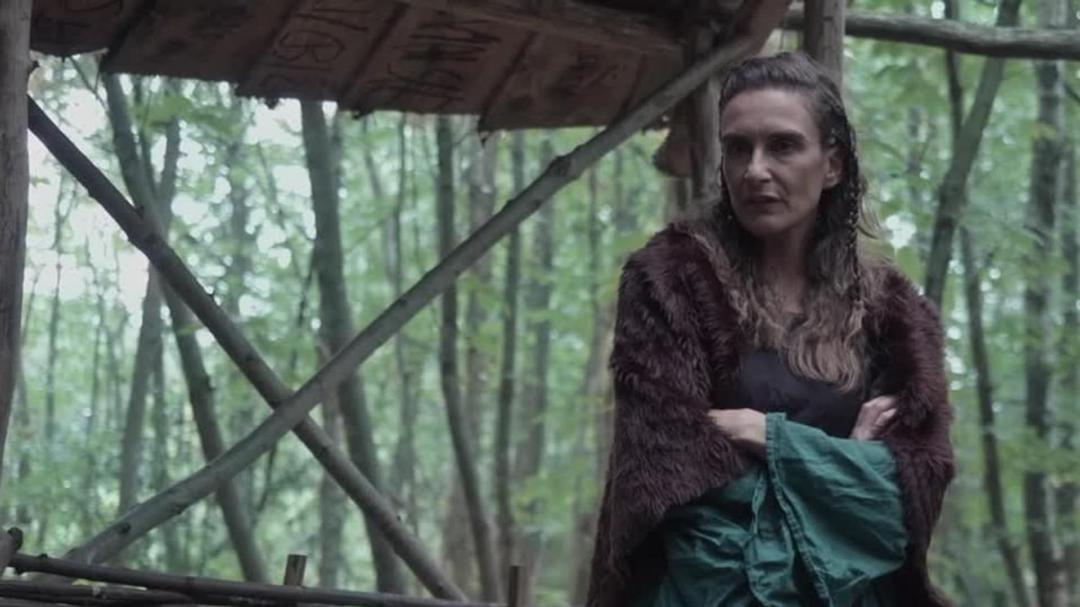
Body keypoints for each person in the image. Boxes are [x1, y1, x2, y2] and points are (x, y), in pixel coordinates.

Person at [585, 52, 954, 607]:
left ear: (832, 165)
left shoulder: (895, 316)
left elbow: (909, 498)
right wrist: (844, 468)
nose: (755, 169)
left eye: (782, 146)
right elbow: (671, 492)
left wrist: (774, 440)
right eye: (738, 148)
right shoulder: (670, 283)